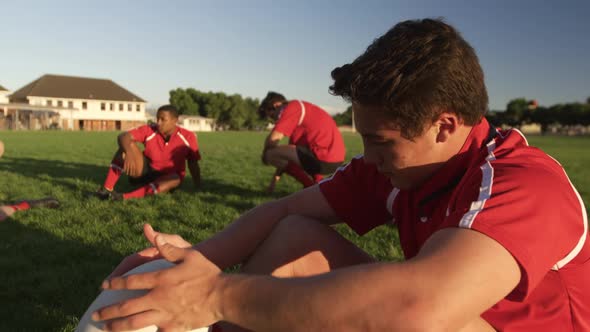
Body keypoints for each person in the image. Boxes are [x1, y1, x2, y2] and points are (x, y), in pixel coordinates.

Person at [88, 19, 589, 331]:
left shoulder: (525, 185)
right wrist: (198, 260)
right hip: (433, 310)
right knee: (294, 234)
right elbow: (285, 208)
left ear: (445, 126)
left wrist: (215, 294)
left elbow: (417, 312)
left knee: (418, 313)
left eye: (380, 140)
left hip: (450, 319)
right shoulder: (401, 167)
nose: (367, 157)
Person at [93, 105, 201, 201]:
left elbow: (193, 163)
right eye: (157, 118)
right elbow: (123, 136)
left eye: (163, 119)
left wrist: (197, 185)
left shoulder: (188, 137)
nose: (158, 122)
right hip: (145, 172)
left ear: (175, 120)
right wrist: (129, 152)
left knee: (175, 179)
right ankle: (106, 189)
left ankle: (122, 197)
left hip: (168, 178)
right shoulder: (150, 130)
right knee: (125, 148)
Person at [258, 92, 345, 192]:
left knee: (270, 154)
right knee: (292, 153)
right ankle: (318, 185)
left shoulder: (293, 107)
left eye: (273, 116)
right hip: (333, 159)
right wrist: (272, 183)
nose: (275, 120)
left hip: (325, 158)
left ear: (276, 105)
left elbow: (273, 139)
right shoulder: (301, 117)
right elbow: (287, 158)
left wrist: (265, 155)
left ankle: (310, 187)